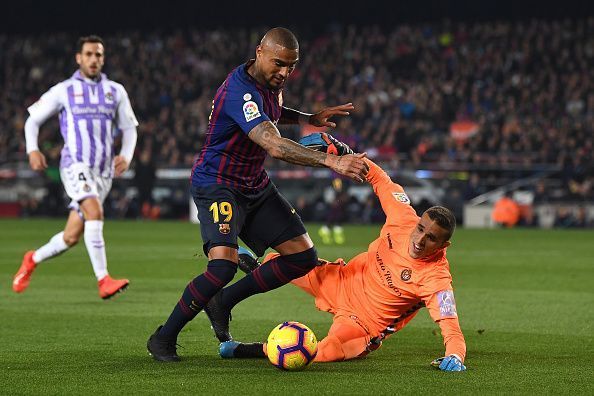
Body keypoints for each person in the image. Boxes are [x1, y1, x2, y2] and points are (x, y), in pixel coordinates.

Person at [146, 27, 369, 362]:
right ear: (260, 52)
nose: (284, 73)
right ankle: (164, 338)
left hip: (254, 184)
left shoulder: (267, 84)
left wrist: (308, 118)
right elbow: (274, 145)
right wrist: (331, 160)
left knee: (302, 257)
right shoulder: (241, 91)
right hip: (218, 184)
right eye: (279, 64)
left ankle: (223, 301)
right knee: (221, 267)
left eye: (291, 67)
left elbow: (274, 111)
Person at [219, 158, 467, 372]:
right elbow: (380, 178)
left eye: (431, 238)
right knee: (289, 264)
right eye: (420, 228)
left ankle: (248, 349)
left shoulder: (436, 279)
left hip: (361, 324)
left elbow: (451, 328)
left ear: (443, 246)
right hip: (341, 279)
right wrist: (342, 153)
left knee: (320, 353)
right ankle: (257, 266)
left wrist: (455, 355)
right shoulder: (403, 219)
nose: (420, 239)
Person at [13, 35, 138, 300]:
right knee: (94, 212)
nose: (94, 59)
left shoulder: (115, 91)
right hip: (75, 165)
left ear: (103, 59)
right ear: (79, 58)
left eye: (98, 55)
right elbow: (32, 121)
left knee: (71, 237)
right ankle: (103, 279)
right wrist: (32, 149)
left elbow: (129, 128)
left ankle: (32, 259)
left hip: (103, 172)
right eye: (89, 54)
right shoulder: (64, 90)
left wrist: (126, 155)